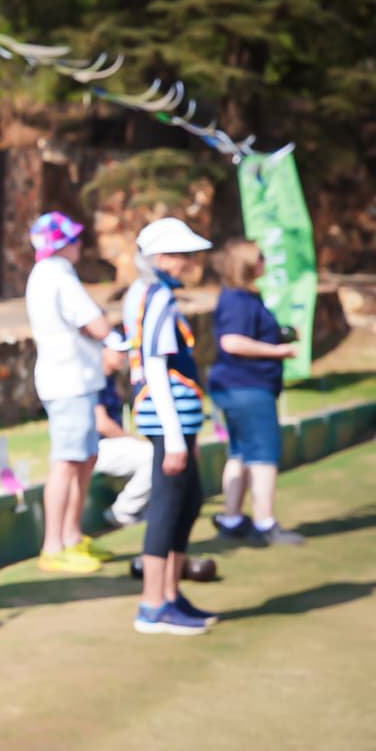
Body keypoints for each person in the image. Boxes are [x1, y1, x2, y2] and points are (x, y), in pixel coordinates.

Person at [124, 217, 217, 635]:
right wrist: (176, 437)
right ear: (161, 257)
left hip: (174, 415)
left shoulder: (149, 292)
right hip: (168, 416)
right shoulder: (157, 295)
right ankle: (153, 605)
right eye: (182, 255)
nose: (188, 263)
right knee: (168, 505)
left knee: (188, 500)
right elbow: (155, 365)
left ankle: (170, 595)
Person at [24, 211, 115, 574]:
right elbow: (98, 324)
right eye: (74, 239)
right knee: (67, 461)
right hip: (69, 381)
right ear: (62, 244)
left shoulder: (49, 273)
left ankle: (72, 537)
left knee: (83, 458)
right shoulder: (58, 275)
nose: (80, 245)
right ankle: (54, 545)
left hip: (75, 380)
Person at [209, 239, 304, 546]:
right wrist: (278, 351)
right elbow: (232, 342)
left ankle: (232, 519)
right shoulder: (237, 299)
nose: (265, 261)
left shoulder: (244, 297)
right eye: (260, 257)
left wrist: (279, 335)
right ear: (248, 263)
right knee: (263, 454)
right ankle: (265, 523)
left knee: (241, 452)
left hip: (239, 387)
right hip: (246, 387)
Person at [94, 339, 154, 528]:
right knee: (152, 455)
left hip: (110, 445)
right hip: (97, 448)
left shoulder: (110, 379)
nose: (123, 356)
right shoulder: (94, 379)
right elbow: (102, 424)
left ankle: (141, 510)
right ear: (103, 351)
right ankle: (123, 510)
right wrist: (132, 438)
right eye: (118, 352)